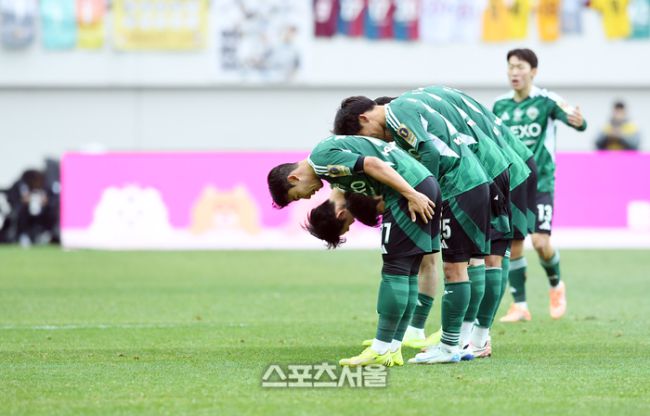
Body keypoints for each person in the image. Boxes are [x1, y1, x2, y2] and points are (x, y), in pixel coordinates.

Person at [333, 94, 493, 363]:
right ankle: (460, 342)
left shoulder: (397, 112)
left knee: (458, 267)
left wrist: (421, 191)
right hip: (466, 182)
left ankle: (453, 345)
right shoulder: (403, 115)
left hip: (460, 185)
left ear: (364, 118)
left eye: (364, 136)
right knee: (464, 264)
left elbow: (430, 152)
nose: (374, 141)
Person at [267, 134, 442, 367]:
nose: (308, 197)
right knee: (409, 271)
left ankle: (380, 348)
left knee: (395, 270)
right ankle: (392, 348)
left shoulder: (321, 160)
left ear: (294, 177)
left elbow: (373, 164)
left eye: (299, 194)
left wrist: (411, 194)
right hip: (422, 183)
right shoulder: (327, 167)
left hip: (409, 191)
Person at [493, 48, 588, 321]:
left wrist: (579, 122)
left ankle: (556, 285)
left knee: (540, 241)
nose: (514, 72)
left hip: (541, 181)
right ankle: (520, 306)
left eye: (520, 67)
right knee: (514, 243)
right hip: (513, 183)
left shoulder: (547, 101)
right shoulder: (499, 105)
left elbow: (575, 120)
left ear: (533, 71)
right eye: (511, 66)